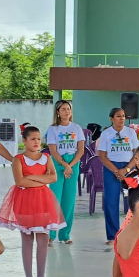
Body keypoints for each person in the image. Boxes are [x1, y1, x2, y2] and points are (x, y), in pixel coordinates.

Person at [0, 126, 64, 277]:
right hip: (25, 201)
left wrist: (32, 177)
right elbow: (20, 182)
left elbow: (53, 177)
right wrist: (41, 180)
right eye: (32, 139)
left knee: (43, 239)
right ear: (24, 141)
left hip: (43, 201)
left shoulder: (46, 157)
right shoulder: (18, 159)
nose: (36, 142)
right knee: (27, 240)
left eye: (38, 139)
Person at [98, 107, 139, 244]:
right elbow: (102, 156)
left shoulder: (131, 132)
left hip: (128, 168)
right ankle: (112, 235)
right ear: (111, 119)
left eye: (123, 116)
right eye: (118, 116)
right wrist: (117, 171)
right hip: (111, 169)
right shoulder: (106, 134)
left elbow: (136, 154)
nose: (122, 118)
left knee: (131, 202)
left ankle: (130, 233)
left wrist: (126, 169)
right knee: (111, 202)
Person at [46, 100, 85, 246]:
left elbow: (80, 150)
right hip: (58, 163)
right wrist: (64, 165)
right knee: (55, 199)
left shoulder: (76, 128)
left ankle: (65, 235)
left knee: (69, 201)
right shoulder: (53, 129)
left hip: (73, 163)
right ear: (58, 112)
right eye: (63, 109)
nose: (67, 111)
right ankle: (51, 235)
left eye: (68, 109)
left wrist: (70, 166)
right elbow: (53, 150)